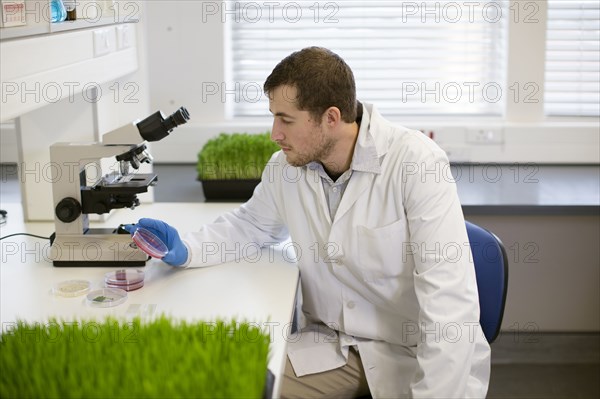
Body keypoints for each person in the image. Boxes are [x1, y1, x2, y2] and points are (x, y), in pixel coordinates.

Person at [126, 47, 491, 398]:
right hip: (334, 345)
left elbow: (450, 308)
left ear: (331, 118)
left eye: (285, 119)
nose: (274, 133)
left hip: (410, 352)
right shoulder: (287, 168)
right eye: (273, 117)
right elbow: (250, 226)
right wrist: (186, 248)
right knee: (232, 382)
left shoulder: (416, 164)